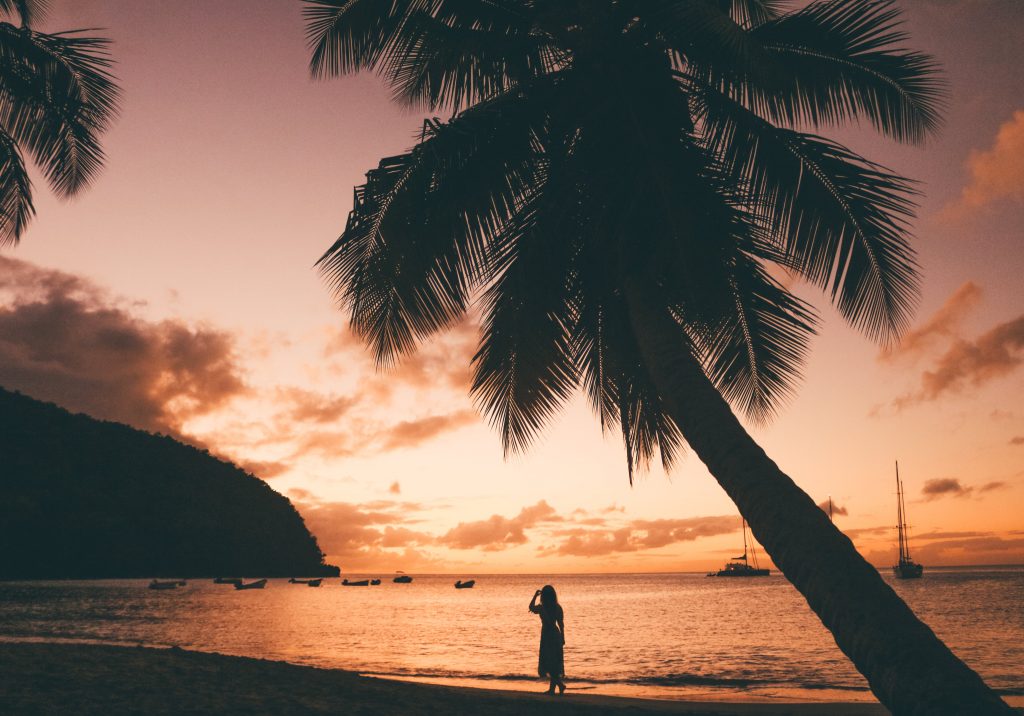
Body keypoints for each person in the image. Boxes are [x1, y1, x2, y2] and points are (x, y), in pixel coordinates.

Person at [528, 584, 565, 694]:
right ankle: (552, 689)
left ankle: (560, 685)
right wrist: (563, 637)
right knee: (553, 662)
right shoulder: (557, 607)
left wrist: (535, 595)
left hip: (547, 635)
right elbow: (561, 624)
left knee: (549, 662)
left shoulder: (542, 607)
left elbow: (531, 607)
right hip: (555, 634)